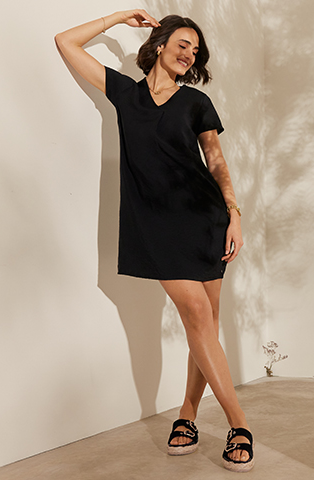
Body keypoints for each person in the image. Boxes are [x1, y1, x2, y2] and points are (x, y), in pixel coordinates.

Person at [54, 10, 253, 473]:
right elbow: (64, 42)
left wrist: (234, 215)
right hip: (157, 226)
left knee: (206, 327)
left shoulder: (196, 102)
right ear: (160, 44)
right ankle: (239, 424)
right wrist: (121, 17)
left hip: (204, 219)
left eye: (196, 50)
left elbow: (217, 162)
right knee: (198, 316)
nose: (190, 53)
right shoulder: (125, 93)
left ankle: (187, 414)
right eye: (183, 43)